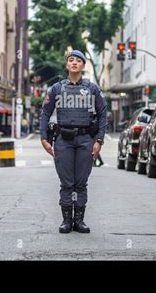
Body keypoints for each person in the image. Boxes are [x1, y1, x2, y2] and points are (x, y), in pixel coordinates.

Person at [40, 50, 107, 234]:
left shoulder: (92, 88)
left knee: (81, 182)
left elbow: (102, 114)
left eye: (78, 60)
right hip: (63, 140)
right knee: (67, 183)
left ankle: (79, 220)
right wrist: (44, 139)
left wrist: (99, 140)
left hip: (86, 139)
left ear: (83, 66)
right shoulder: (56, 89)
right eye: (71, 60)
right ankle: (66, 220)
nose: (75, 63)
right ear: (67, 65)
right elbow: (45, 114)